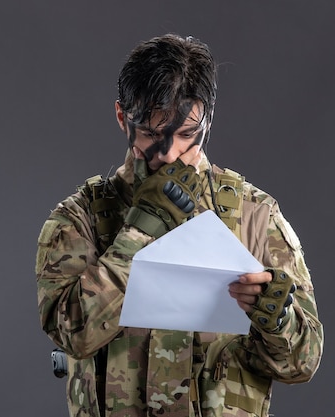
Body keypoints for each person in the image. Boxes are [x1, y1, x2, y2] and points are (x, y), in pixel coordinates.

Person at [34, 34, 323, 417]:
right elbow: (73, 335)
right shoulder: (79, 218)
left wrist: (277, 319)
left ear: (208, 119)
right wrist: (139, 232)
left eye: (187, 134)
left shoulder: (256, 216)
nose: (168, 153)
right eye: (152, 134)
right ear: (122, 117)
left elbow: (303, 363)